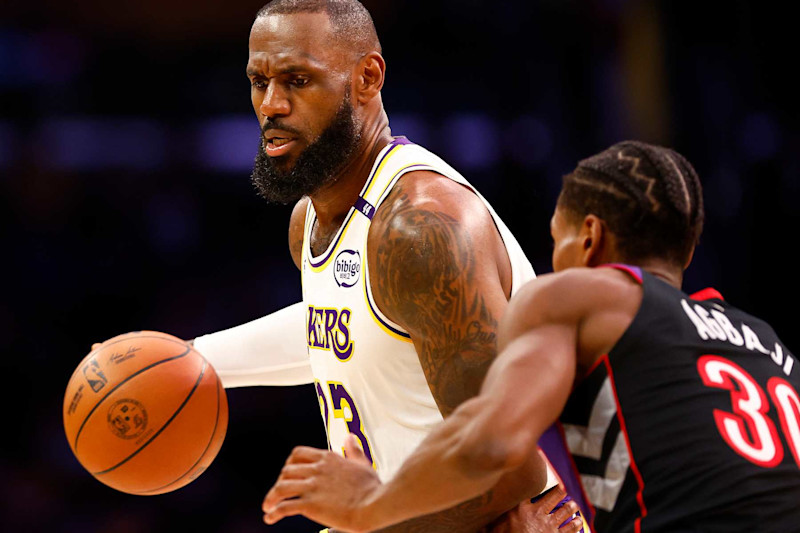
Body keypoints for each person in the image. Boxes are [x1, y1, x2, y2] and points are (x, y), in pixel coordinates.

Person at [187, 0, 586, 530]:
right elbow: (345, 331)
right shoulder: (311, 220)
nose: (271, 105)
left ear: (367, 78)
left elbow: (508, 469)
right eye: (259, 82)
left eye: (297, 80)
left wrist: (363, 517)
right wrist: (187, 360)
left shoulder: (419, 228)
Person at [261, 140, 800, 532]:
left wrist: (369, 505)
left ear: (589, 237)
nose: (549, 269)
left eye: (555, 243)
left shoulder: (583, 297)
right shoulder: (763, 342)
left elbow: (488, 442)